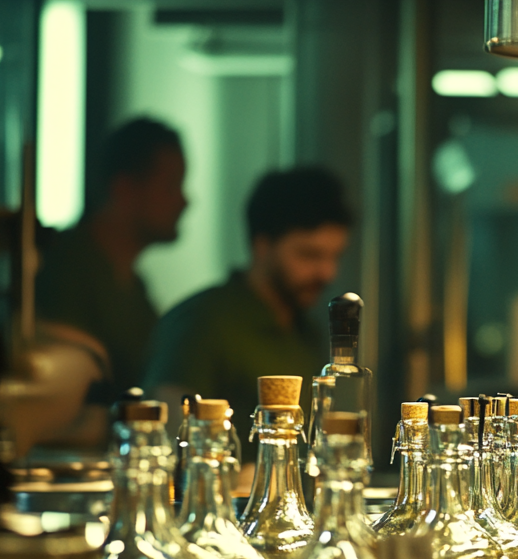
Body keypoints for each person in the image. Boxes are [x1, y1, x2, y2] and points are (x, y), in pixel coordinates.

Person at [143, 166, 352, 461]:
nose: (328, 273)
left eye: (335, 256)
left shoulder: (310, 331)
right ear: (262, 246)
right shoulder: (202, 320)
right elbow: (170, 442)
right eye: (309, 255)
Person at [35, 118, 187, 433]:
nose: (185, 201)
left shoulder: (135, 286)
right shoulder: (67, 267)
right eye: (171, 186)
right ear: (125, 189)